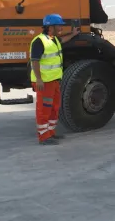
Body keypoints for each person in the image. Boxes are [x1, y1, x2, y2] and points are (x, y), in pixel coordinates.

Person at [29, 14, 80, 145]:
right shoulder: (39, 41)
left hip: (54, 80)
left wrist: (73, 34)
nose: (61, 28)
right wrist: (39, 79)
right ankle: (43, 137)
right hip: (44, 82)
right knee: (44, 108)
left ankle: (50, 133)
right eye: (59, 26)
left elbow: (63, 40)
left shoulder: (54, 39)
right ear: (50, 27)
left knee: (54, 107)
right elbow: (35, 61)